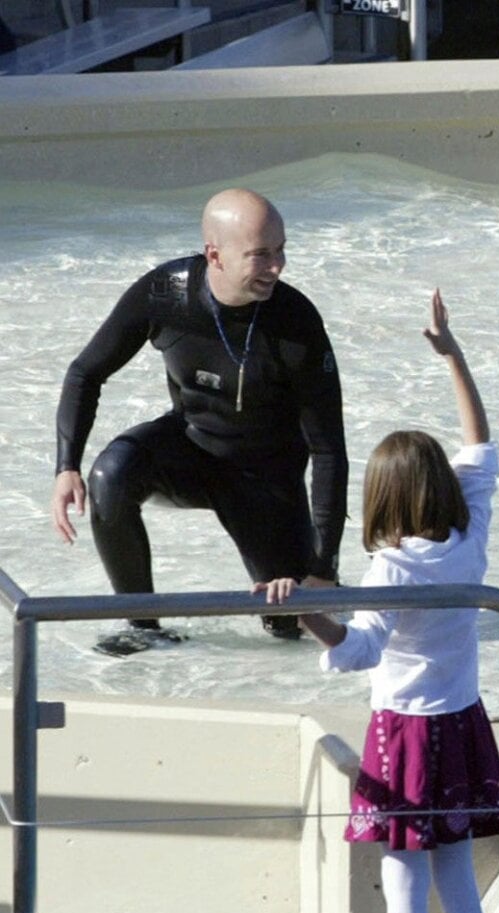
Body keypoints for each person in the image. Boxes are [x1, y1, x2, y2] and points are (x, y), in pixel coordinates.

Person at [258, 290, 499, 913]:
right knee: (456, 882)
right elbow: (481, 445)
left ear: (383, 498)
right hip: (463, 722)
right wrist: (450, 352)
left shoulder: (391, 566)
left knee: (404, 881)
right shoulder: (468, 535)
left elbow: (360, 649)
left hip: (404, 734)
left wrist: (304, 613)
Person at [52, 188, 347, 656]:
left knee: (293, 632)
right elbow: (85, 372)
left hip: (266, 479)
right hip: (191, 449)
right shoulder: (166, 295)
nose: (278, 267)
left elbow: (329, 449)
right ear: (215, 255)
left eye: (281, 250)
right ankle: (143, 628)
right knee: (110, 476)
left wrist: (323, 566)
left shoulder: (296, 323)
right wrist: (66, 465)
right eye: (261, 255)